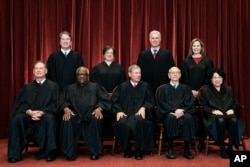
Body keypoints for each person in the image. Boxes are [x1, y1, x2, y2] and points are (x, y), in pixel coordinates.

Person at [8, 61, 60, 163]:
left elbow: (56, 104)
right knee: (16, 120)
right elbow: (21, 104)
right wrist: (29, 112)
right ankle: (14, 154)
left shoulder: (54, 86)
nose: (39, 70)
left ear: (46, 71)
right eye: (36, 68)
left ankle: (50, 152)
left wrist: (42, 112)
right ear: (33, 72)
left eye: (41, 68)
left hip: (45, 114)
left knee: (50, 119)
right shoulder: (27, 87)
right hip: (29, 116)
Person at [58, 66, 111, 161]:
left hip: (91, 114)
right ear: (76, 76)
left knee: (97, 118)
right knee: (67, 119)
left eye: (84, 74)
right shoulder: (69, 88)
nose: (81, 76)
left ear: (88, 76)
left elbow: (105, 100)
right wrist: (65, 108)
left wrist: (99, 108)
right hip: (75, 115)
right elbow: (62, 101)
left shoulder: (96, 87)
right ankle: (69, 152)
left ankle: (95, 152)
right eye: (79, 74)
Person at [111, 64, 155, 160]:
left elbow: (150, 101)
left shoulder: (145, 86)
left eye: (140, 73)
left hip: (140, 115)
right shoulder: (122, 86)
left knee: (139, 122)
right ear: (129, 74)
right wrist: (119, 111)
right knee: (122, 123)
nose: (139, 75)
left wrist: (144, 107)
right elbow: (114, 101)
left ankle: (138, 150)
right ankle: (127, 149)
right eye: (136, 73)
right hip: (125, 114)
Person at [198, 68, 244, 159]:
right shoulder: (206, 90)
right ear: (211, 79)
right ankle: (222, 147)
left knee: (234, 119)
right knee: (220, 119)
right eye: (214, 77)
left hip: (228, 115)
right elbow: (203, 106)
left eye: (219, 77)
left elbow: (235, 103)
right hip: (213, 117)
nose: (217, 79)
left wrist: (233, 109)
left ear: (222, 79)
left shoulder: (228, 89)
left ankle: (230, 147)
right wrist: (213, 111)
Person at [156, 67, 197, 159]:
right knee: (171, 118)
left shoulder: (186, 88)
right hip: (169, 112)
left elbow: (189, 103)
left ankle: (187, 149)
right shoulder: (163, 89)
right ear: (168, 75)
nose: (175, 74)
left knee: (189, 118)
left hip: (184, 112)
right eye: (172, 73)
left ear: (180, 75)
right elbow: (162, 103)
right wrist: (174, 110)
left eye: (177, 73)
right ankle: (170, 149)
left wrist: (182, 111)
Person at [180, 38, 214, 148]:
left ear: (201, 47)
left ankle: (203, 140)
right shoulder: (185, 61)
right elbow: (184, 78)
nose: (196, 48)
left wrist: (200, 91)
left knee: (203, 115)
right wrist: (191, 91)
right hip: (189, 93)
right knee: (191, 115)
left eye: (198, 46)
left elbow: (209, 78)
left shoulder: (208, 61)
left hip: (203, 93)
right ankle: (190, 139)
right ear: (191, 48)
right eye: (194, 46)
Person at [91, 45, 126, 137]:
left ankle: (117, 136)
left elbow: (123, 83)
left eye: (111, 53)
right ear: (103, 54)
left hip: (116, 97)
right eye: (107, 53)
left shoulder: (120, 67)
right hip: (101, 97)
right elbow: (94, 84)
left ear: (114, 55)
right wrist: (104, 94)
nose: (109, 55)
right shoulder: (97, 68)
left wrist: (114, 93)